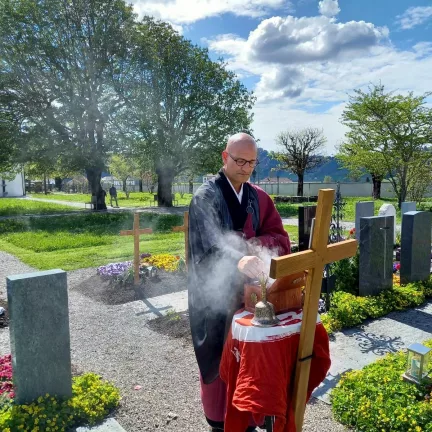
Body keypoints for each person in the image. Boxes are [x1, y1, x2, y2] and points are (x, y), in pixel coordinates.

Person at [188, 133, 291, 431]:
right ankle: (221, 423)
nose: (246, 168)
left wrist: (255, 244)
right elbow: (208, 243)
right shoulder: (205, 198)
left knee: (252, 360)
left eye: (252, 162)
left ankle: (249, 416)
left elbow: (280, 239)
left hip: (251, 296)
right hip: (215, 299)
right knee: (220, 362)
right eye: (239, 161)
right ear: (224, 157)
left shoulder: (259, 197)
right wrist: (238, 258)